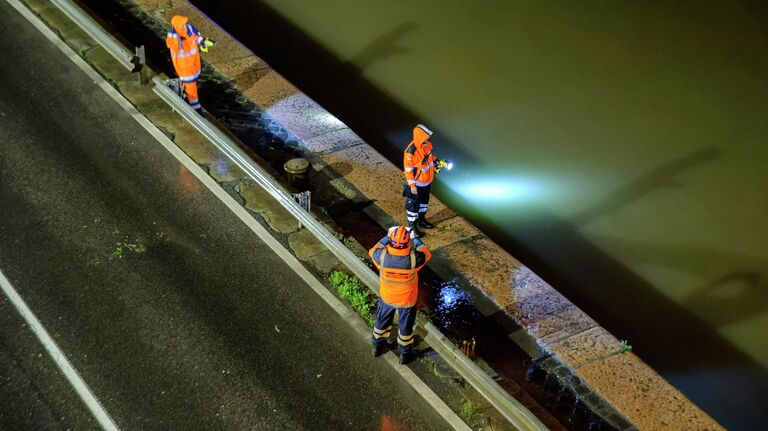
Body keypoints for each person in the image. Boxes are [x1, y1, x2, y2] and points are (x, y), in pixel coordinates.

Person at [369, 225, 432, 364]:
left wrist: (387, 235)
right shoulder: (414, 259)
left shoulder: (381, 256)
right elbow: (426, 253)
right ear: (407, 243)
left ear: (391, 241)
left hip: (387, 297)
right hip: (406, 301)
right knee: (405, 328)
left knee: (381, 323)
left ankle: (377, 347)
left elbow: (373, 250)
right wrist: (416, 238)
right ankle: (404, 355)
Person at [165, 15, 214, 113]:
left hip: (193, 66)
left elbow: (195, 37)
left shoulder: (188, 29)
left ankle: (186, 96)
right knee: (192, 92)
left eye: (185, 23)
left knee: (190, 88)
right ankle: (196, 111)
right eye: (183, 25)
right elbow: (181, 45)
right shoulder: (176, 41)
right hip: (186, 70)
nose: (186, 25)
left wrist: (202, 41)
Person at [403, 124, 439, 237]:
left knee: (424, 203)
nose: (427, 139)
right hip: (417, 184)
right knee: (413, 206)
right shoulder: (410, 152)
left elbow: (429, 157)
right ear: (420, 137)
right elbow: (408, 171)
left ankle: (421, 220)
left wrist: (436, 161)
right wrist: (412, 186)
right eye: (425, 137)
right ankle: (412, 227)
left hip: (426, 181)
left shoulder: (427, 145)